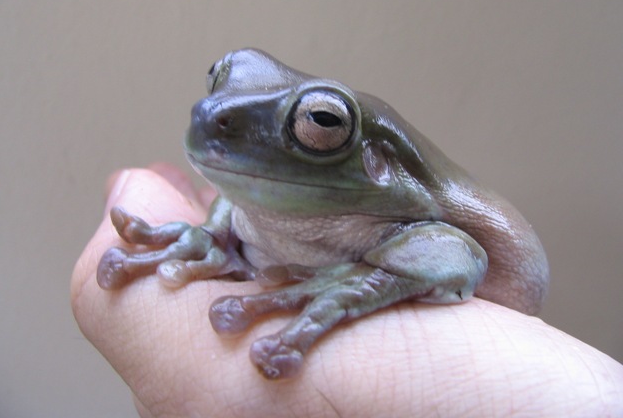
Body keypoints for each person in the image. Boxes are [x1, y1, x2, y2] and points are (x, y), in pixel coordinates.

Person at [71, 163, 623, 417]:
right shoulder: (275, 197)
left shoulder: (391, 207)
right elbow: (241, 197)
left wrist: (360, 282)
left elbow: (458, 253)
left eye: (318, 124)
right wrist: (217, 235)